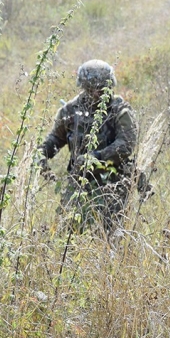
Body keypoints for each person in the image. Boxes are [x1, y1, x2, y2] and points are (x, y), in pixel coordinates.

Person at [37, 59, 139, 234]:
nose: (97, 93)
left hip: (112, 183)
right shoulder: (70, 111)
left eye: (102, 89)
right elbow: (55, 138)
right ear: (84, 87)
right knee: (68, 232)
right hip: (78, 182)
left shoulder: (120, 111)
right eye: (92, 89)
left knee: (110, 234)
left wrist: (97, 157)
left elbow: (126, 144)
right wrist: (40, 155)